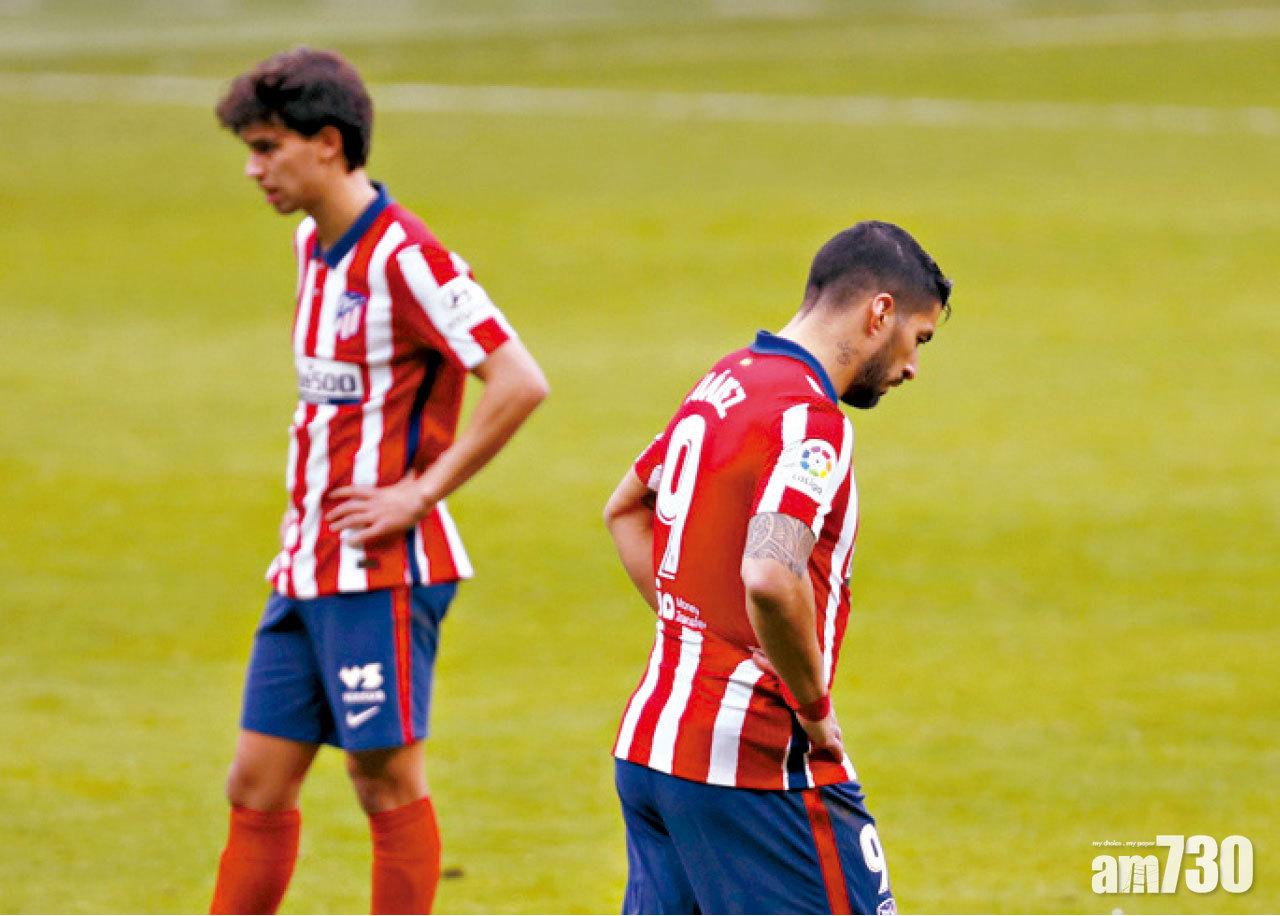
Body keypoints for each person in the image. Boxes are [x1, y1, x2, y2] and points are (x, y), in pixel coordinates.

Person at [208, 48, 548, 915]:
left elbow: (518, 380)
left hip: (382, 571)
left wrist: (418, 494)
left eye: (267, 148)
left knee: (383, 783)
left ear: (327, 142)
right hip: (305, 564)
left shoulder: (409, 259)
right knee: (255, 782)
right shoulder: (311, 246)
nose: (253, 169)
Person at [603, 221, 951, 915]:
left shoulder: (726, 379)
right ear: (880, 312)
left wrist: (703, 635)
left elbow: (626, 508)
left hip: (651, 751)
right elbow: (770, 573)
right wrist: (814, 711)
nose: (913, 365)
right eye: (920, 338)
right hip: (754, 762)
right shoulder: (811, 420)